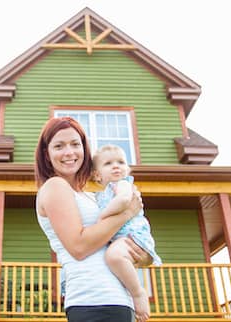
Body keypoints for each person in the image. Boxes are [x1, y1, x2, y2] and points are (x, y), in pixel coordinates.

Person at [35, 116, 152, 322]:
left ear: (84, 149)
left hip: (118, 300)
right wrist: (127, 213)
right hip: (93, 301)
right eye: (59, 146)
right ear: (47, 154)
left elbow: (110, 239)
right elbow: (79, 247)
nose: (69, 152)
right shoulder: (55, 186)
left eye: (75, 144)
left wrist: (142, 254)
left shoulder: (89, 195)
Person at [93, 144, 162, 322]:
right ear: (97, 174)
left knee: (114, 256)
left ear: (127, 169)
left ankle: (138, 293)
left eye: (121, 162)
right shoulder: (100, 195)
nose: (116, 166)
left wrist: (102, 217)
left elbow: (124, 200)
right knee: (114, 258)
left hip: (133, 236)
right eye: (108, 163)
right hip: (123, 238)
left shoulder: (122, 184)